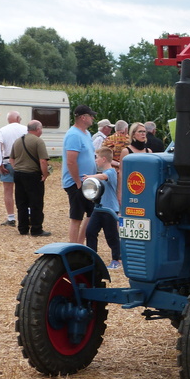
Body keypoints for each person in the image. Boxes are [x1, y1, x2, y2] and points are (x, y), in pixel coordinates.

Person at [62, 105, 97, 243]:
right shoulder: (73, 135)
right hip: (77, 182)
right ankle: (73, 246)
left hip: (88, 182)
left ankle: (80, 243)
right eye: (91, 116)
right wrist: (77, 182)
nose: (93, 118)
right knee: (76, 217)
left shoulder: (87, 134)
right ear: (83, 117)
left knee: (91, 214)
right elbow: (71, 161)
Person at [10, 120, 51, 237]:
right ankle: (36, 229)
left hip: (18, 174)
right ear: (38, 129)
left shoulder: (18, 141)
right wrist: (45, 174)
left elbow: (11, 159)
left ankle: (22, 228)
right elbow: (43, 161)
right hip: (32, 175)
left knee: (21, 202)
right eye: (41, 128)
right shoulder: (38, 142)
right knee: (36, 202)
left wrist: (16, 168)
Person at [84, 147, 122, 270]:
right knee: (90, 231)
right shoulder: (105, 172)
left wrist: (90, 177)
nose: (96, 160)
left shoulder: (111, 172)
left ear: (104, 159)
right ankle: (91, 257)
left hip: (110, 209)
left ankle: (117, 259)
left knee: (111, 236)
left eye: (97, 157)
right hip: (99, 208)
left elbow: (103, 176)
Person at [0, 110, 27, 226]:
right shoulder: (25, 129)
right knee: (24, 190)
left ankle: (11, 218)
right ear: (18, 118)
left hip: (7, 162)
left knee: (8, 191)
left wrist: (0, 164)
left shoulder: (3, 130)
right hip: (23, 163)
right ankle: (27, 213)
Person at [118, 122, 152, 202]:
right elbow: (121, 173)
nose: (143, 134)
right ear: (133, 134)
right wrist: (120, 192)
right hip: (131, 187)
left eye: (144, 132)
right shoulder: (126, 151)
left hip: (145, 188)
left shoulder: (149, 151)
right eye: (140, 132)